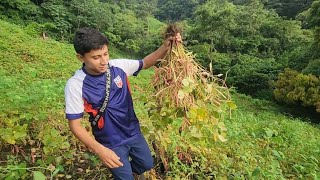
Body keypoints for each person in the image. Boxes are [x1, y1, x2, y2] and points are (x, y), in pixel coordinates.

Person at [64, 27, 181, 180]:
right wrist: (101, 150)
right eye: (96, 57)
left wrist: (166, 46)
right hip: (110, 142)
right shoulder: (75, 84)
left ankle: (126, 172)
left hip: (133, 132)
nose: (104, 61)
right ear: (81, 58)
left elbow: (145, 62)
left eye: (106, 54)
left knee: (147, 164)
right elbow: (75, 125)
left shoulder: (118, 67)